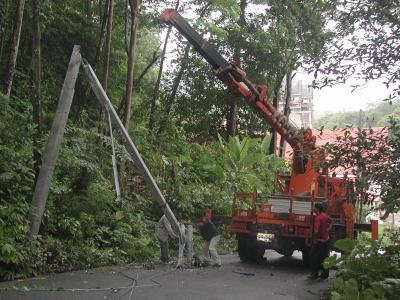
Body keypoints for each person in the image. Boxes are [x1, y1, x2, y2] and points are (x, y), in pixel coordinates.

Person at [308, 202, 332, 280]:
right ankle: (325, 274)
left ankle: (314, 274)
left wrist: (314, 239)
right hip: (326, 239)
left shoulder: (318, 218)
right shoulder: (325, 215)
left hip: (319, 240)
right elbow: (332, 221)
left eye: (314, 207)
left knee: (313, 256)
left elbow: (316, 231)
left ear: (317, 209)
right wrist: (328, 229)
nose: (313, 209)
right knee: (325, 257)